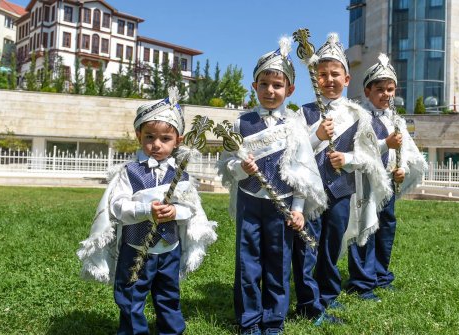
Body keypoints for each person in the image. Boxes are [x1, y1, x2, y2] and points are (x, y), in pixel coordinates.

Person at [77, 87, 218, 335]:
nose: (156, 145)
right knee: (131, 297)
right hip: (135, 248)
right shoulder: (129, 172)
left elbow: (190, 208)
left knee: (168, 296)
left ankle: (172, 331)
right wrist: (144, 210)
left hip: (168, 249)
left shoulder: (181, 174)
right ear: (138, 136)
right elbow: (118, 207)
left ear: (178, 140)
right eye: (149, 137)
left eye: (165, 139)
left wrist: (175, 213)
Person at [217, 37, 327, 335]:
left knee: (278, 265)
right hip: (250, 202)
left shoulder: (294, 125)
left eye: (277, 86)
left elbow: (304, 170)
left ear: (290, 90)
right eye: (264, 84)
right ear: (254, 86)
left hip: (284, 204)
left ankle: (273, 320)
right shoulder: (240, 124)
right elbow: (226, 167)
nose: (270, 91)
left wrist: (300, 208)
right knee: (248, 264)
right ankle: (249, 321)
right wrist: (242, 167)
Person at [293, 33, 392, 325]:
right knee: (308, 247)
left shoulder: (358, 116)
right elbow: (294, 153)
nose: (329, 79)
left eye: (335, 74)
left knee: (331, 246)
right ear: (315, 78)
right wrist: (316, 136)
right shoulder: (303, 113)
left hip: (341, 189)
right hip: (311, 191)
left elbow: (370, 156)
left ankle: (327, 296)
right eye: (322, 74)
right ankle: (308, 303)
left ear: (347, 79)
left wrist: (347, 159)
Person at [347, 53, 428, 300]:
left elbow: (406, 151)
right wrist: (386, 143)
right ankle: (362, 281)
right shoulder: (359, 118)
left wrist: (401, 168)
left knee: (385, 229)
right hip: (366, 185)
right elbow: (359, 151)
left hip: (388, 186)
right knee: (365, 229)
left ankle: (381, 274)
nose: (386, 94)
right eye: (380, 89)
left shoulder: (396, 120)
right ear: (368, 91)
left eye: (390, 89)